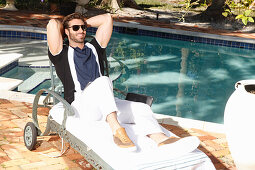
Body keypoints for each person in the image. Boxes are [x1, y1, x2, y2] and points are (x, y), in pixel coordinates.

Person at [47, 13, 199, 151]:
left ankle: (161, 139)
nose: (81, 30)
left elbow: (107, 18)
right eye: (75, 28)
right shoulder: (62, 53)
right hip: (81, 107)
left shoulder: (93, 48)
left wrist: (82, 23)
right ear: (66, 32)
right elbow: (53, 24)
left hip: (106, 106)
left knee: (142, 109)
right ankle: (117, 130)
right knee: (103, 81)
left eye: (83, 27)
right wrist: (67, 26)